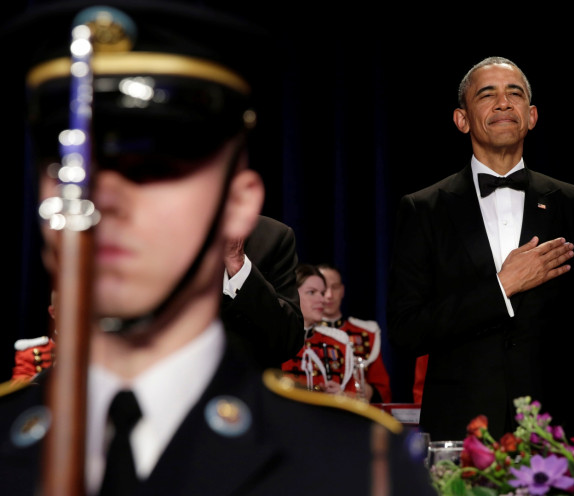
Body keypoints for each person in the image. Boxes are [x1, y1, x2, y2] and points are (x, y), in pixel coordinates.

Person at [0, 3, 435, 495]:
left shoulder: (358, 468)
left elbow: (284, 336)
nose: (103, 198)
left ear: (237, 203)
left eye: (153, 164)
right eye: (69, 164)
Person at [387, 56, 574, 441]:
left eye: (514, 94)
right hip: (463, 427)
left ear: (531, 116)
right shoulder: (423, 208)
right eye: (487, 94)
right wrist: (501, 288)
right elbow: (406, 330)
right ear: (462, 119)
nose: (503, 103)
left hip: (558, 429)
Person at [221, 215, 304, 369]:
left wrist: (238, 267)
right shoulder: (166, 225)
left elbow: (288, 340)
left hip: (245, 384)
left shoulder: (273, 236)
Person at [317, 263, 392, 403]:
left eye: (335, 287)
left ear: (342, 290)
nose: (329, 295)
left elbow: (383, 387)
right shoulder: (302, 334)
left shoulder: (366, 334)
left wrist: (370, 391)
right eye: (323, 288)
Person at [282, 264, 360, 397]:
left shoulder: (339, 343)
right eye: (312, 292)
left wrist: (342, 397)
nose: (322, 299)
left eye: (322, 293)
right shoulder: (275, 340)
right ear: (292, 294)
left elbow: (357, 400)